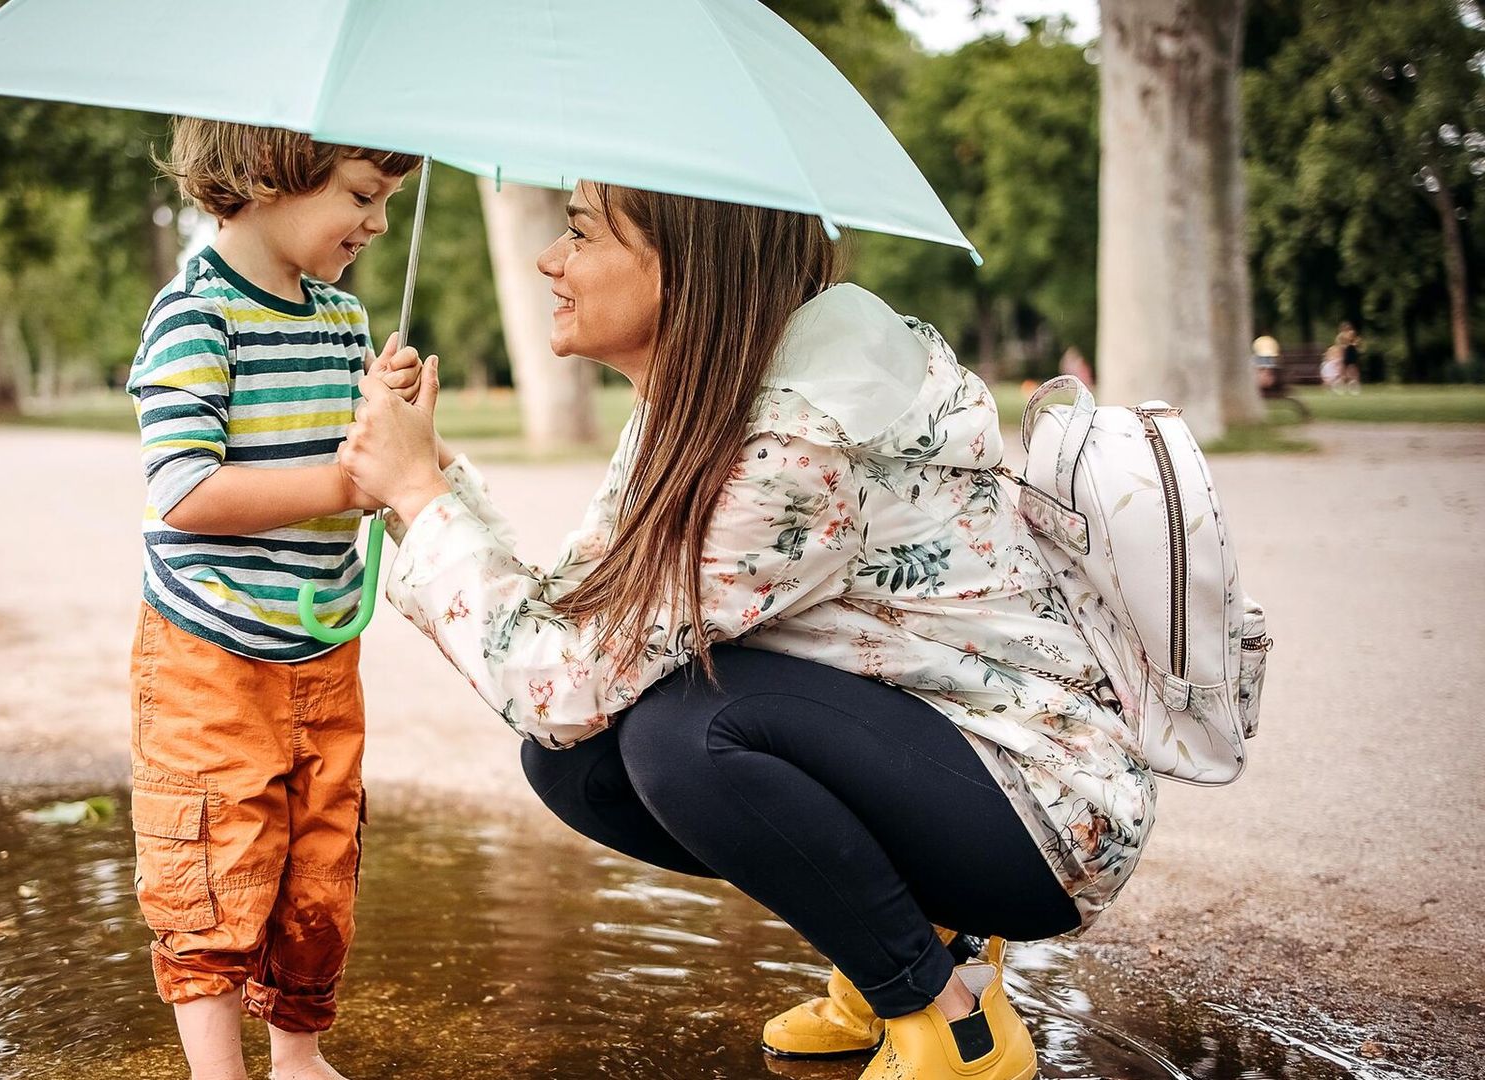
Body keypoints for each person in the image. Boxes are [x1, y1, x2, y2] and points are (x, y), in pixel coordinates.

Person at [337, 181, 1155, 1080]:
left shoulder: (793, 443)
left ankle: (949, 1025)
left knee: (686, 736)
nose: (549, 260)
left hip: (1040, 813)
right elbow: (577, 629)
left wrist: (421, 496)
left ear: (683, 262)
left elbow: (555, 687)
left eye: (579, 234)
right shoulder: (702, 399)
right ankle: (910, 943)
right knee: (579, 765)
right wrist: (437, 485)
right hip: (936, 759)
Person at [126, 118, 423, 1080]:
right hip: (210, 645)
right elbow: (185, 489)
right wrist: (347, 484)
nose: (376, 224)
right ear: (267, 172)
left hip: (322, 643)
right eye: (360, 194)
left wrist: (386, 419)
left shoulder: (342, 320)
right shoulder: (195, 316)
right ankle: (219, 1072)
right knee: (215, 850)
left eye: (387, 203)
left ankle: (298, 1058)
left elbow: (368, 459)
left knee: (320, 862)